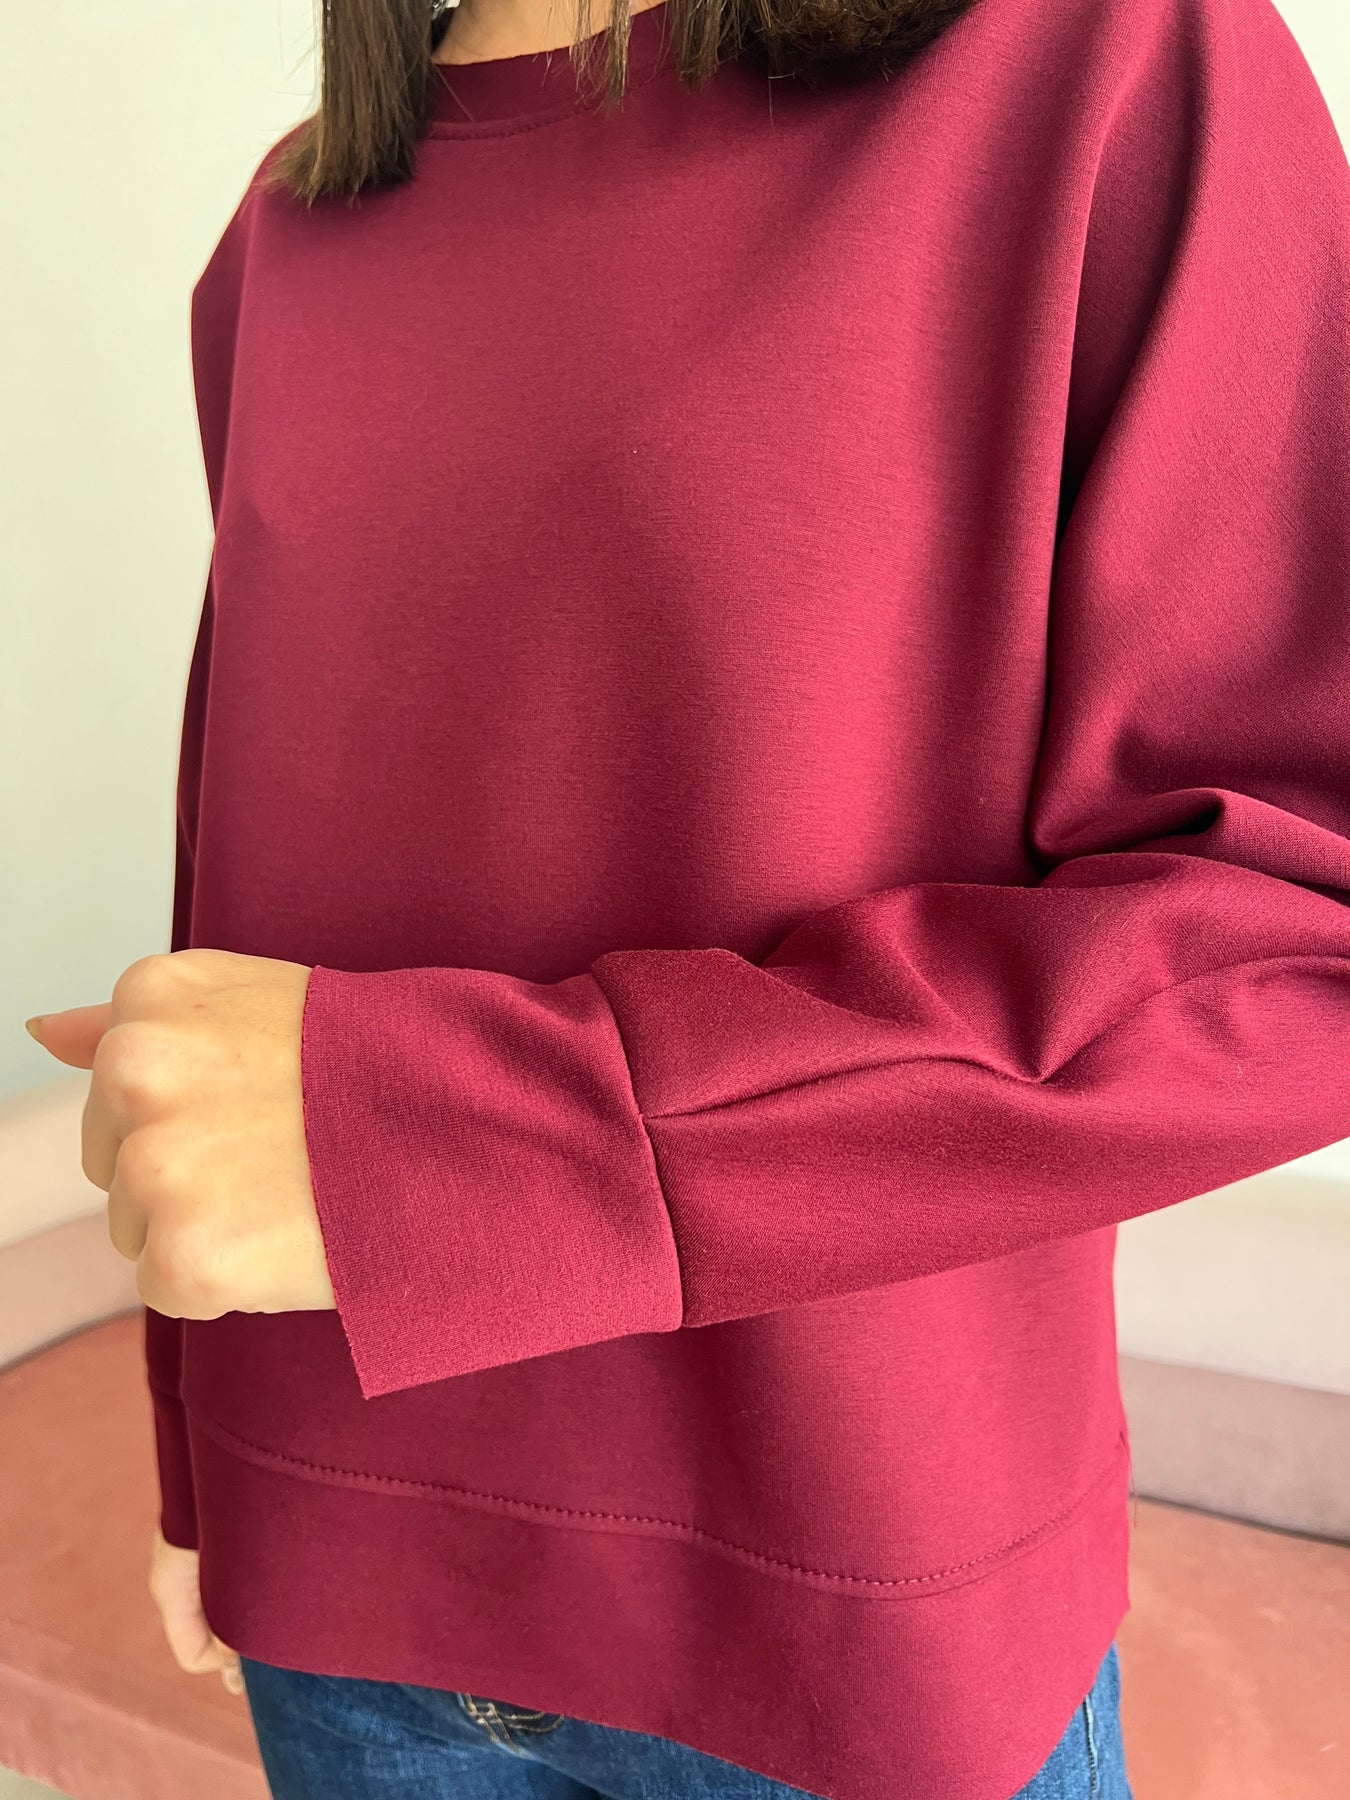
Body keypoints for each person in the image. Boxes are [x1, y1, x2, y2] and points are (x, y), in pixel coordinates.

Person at [24, 0, 1350, 1794]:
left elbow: (1294, 923)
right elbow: (244, 860)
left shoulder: (1098, 60)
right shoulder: (284, 232)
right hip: (332, 1577)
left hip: (838, 1605)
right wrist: (205, 1465)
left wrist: (470, 1143)